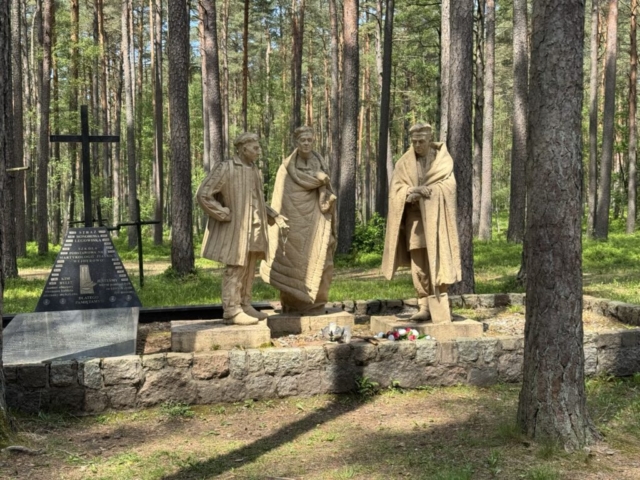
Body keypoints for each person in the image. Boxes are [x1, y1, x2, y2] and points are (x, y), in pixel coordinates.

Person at [196, 132, 289, 325]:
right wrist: (222, 213)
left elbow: (257, 200)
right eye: (255, 148)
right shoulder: (226, 168)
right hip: (236, 230)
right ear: (243, 148)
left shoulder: (253, 170)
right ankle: (231, 310)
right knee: (235, 268)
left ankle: (245, 304)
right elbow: (204, 194)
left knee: (249, 266)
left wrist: (274, 215)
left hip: (255, 228)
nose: (258, 151)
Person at [381, 122, 462, 323]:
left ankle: (441, 303)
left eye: (421, 141)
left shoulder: (442, 161)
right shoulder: (404, 163)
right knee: (418, 262)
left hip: (437, 219)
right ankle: (424, 304)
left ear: (429, 139)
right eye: (414, 141)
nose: (417, 145)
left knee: (440, 258)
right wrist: (412, 191)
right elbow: (396, 190)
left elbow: (450, 187)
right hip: (415, 220)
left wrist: (430, 193)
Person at [260, 126, 337, 314]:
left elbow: (328, 194)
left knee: (324, 260)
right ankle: (292, 305)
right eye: (303, 140)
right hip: (293, 225)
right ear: (296, 142)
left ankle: (317, 304)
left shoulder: (320, 165)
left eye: (309, 140)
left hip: (317, 223)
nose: (306, 143)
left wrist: (324, 187)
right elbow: (279, 200)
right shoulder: (286, 169)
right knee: (291, 261)